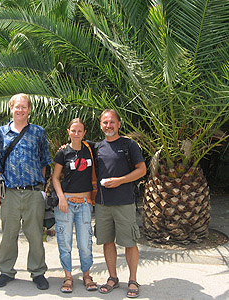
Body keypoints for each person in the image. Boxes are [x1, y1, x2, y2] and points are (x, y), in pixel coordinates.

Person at [0, 93, 52, 290]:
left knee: (35, 234)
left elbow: (44, 162)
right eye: (17, 107)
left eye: (24, 107)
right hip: (9, 192)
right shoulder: (1, 133)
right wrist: (0, 191)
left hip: (33, 192)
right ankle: (6, 271)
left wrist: (40, 189)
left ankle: (37, 271)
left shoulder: (38, 132)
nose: (20, 110)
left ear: (29, 109)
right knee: (8, 234)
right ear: (11, 108)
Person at [95, 109, 146, 298]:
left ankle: (133, 280)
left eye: (112, 122)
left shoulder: (129, 145)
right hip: (102, 204)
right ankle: (112, 278)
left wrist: (120, 180)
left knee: (129, 242)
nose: (108, 125)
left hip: (124, 202)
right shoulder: (97, 147)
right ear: (101, 125)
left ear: (119, 124)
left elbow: (142, 170)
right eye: (105, 122)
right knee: (108, 242)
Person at [52, 118, 97, 293]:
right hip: (66, 203)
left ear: (84, 133)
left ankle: (87, 276)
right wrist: (61, 198)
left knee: (85, 243)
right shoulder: (63, 153)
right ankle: (68, 277)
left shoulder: (91, 149)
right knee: (65, 243)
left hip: (85, 203)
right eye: (73, 131)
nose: (76, 134)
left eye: (80, 131)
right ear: (68, 132)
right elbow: (55, 177)